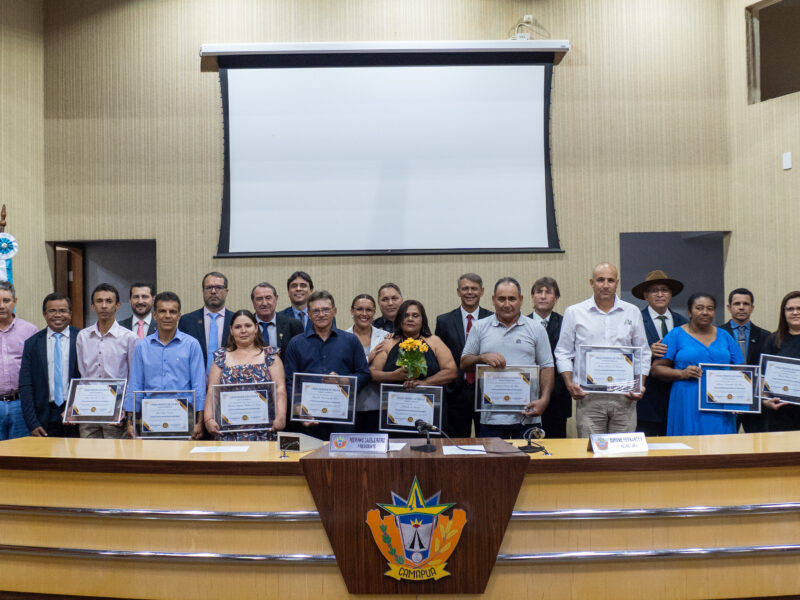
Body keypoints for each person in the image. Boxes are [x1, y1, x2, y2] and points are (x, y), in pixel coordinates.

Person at [554, 263, 650, 437]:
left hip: (625, 397)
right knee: (591, 453)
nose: (605, 285)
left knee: (622, 455)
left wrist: (640, 385)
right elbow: (563, 352)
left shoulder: (632, 312)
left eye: (610, 280)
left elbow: (643, 352)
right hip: (589, 397)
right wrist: (570, 385)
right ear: (592, 282)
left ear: (617, 283)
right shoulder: (574, 312)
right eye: (600, 280)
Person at [461, 277, 554, 439]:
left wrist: (544, 399)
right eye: (501, 299)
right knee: (493, 463)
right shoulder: (480, 327)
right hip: (491, 419)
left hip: (528, 416)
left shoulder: (536, 328)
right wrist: (482, 358)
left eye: (512, 298)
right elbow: (464, 362)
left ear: (521, 300)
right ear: (493, 300)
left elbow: (547, 366)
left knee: (529, 463)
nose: (507, 304)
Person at [650, 293, 743, 436]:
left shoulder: (725, 336)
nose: (705, 312)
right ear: (689, 311)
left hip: (720, 402)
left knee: (721, 447)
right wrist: (682, 373)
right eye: (699, 308)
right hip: (687, 400)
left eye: (710, 308)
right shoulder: (676, 335)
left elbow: (741, 369)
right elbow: (656, 369)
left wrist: (739, 398)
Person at [282, 290, 370, 439]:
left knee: (341, 461)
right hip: (309, 419)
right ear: (309, 314)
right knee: (309, 460)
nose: (321, 314)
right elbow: (289, 382)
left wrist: (344, 380)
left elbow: (364, 374)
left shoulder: (350, 341)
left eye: (325, 310)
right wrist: (298, 409)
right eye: (315, 311)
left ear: (334, 311)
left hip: (342, 418)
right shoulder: (296, 343)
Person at [125, 292, 206, 439]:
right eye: (162, 311)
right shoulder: (142, 346)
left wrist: (199, 421)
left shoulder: (191, 345)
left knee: (181, 460)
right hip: (150, 415)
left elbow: (198, 386)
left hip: (183, 414)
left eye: (172, 312)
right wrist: (130, 421)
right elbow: (136, 384)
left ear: (179, 316)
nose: (167, 316)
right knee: (152, 459)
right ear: (155, 315)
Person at [203, 310, 287, 441]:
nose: (243, 330)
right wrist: (208, 419)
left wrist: (281, 416)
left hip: (263, 432)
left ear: (256, 328)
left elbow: (280, 389)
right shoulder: (220, 357)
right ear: (231, 330)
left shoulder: (270, 356)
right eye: (238, 327)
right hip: (228, 433)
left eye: (248, 326)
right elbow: (211, 391)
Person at [75, 283, 138, 439]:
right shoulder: (83, 336)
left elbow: (133, 378)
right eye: (99, 301)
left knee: (113, 458)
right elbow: (83, 376)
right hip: (88, 409)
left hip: (116, 410)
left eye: (109, 301)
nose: (104, 306)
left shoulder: (129, 338)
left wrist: (125, 409)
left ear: (117, 305)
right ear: (92, 306)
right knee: (88, 456)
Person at [631, 270, 688, 437]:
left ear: (671, 294)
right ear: (645, 295)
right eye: (654, 290)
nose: (660, 294)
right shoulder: (636, 320)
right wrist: (648, 352)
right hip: (646, 399)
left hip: (677, 396)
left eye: (664, 290)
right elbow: (624, 356)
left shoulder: (684, 323)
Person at [435, 273, 492, 437]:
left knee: (488, 441)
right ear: (458, 291)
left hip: (486, 391)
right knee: (457, 443)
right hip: (456, 391)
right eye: (465, 288)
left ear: (482, 291)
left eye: (474, 289)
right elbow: (440, 357)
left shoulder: (493, 319)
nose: (469, 292)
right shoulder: (444, 321)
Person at [19, 292, 81, 437]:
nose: (57, 315)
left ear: (70, 313)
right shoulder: (32, 344)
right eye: (52, 311)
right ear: (44, 314)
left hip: (75, 413)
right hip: (44, 415)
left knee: (76, 458)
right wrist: (32, 423)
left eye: (63, 311)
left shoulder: (82, 339)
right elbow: (26, 384)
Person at [720, 288, 769, 433]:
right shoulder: (717, 334)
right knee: (724, 446)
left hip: (756, 402)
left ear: (752, 308)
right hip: (726, 400)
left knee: (759, 446)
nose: (741, 307)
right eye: (737, 303)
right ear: (729, 307)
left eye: (746, 304)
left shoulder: (766, 336)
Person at [529, 277, 571, 439]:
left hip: (558, 398)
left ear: (556, 299)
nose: (543, 296)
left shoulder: (566, 324)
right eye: (539, 292)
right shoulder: (520, 323)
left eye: (548, 292)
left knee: (556, 448)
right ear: (532, 297)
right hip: (526, 394)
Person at [0, 281, 39, 440]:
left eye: (6, 300)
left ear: (15, 301)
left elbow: (37, 372)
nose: (2, 306)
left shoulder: (29, 331)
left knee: (19, 455)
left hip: (21, 404)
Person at [346, 294, 390, 433]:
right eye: (359, 309)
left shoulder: (386, 337)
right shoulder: (342, 337)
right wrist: (369, 358)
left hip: (378, 404)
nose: (364, 314)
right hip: (350, 405)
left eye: (369, 310)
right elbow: (344, 371)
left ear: (374, 312)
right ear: (352, 311)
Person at [178, 272, 234, 371]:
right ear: (203, 291)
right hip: (195, 378)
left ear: (226, 291)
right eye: (208, 287)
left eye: (218, 287)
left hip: (229, 379)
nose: (213, 291)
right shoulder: (187, 321)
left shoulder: (236, 321)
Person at [761, 291, 800, 431]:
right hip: (780, 415)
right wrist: (766, 401)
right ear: (783, 312)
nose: (795, 312)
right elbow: (762, 377)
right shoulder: (773, 340)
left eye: (799, 308)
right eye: (790, 309)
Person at [250, 282, 304, 357]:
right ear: (253, 301)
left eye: (268, 298)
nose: (264, 303)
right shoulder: (246, 325)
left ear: (276, 299)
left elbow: (300, 356)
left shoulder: (293, 325)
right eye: (259, 299)